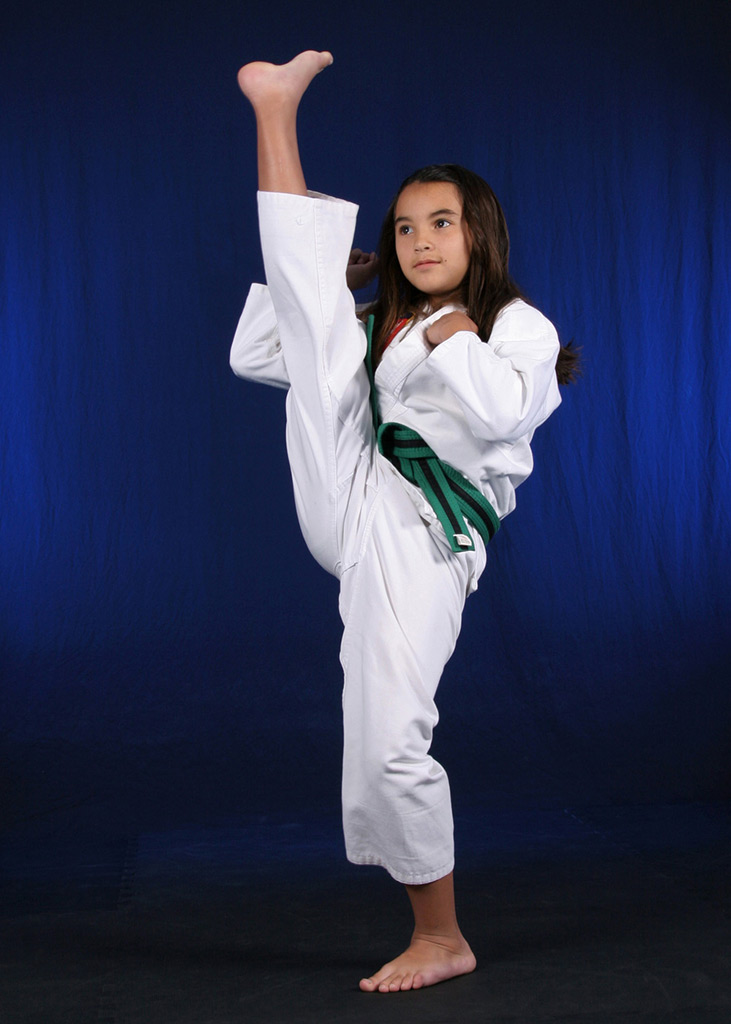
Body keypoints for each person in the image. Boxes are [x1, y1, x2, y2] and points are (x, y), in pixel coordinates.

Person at [230, 50, 576, 993]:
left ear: (479, 235)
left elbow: (506, 414)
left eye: (441, 223)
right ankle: (275, 112)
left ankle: (441, 935)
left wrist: (446, 330)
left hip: (425, 526)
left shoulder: (513, 325)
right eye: (404, 226)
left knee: (384, 735)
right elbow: (268, 357)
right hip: (353, 487)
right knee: (315, 321)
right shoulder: (392, 323)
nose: (419, 240)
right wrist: (339, 296)